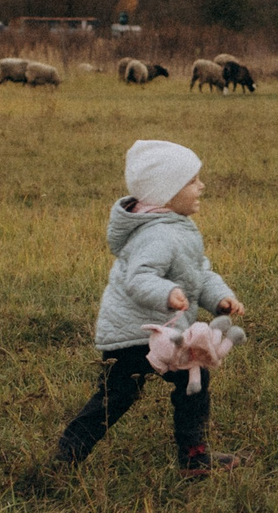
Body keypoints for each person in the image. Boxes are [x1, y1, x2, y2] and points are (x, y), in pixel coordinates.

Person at [53, 139, 248, 475]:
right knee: (117, 397)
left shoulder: (178, 228)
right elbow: (138, 277)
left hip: (168, 334)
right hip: (133, 335)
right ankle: (67, 455)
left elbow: (199, 271)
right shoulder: (156, 235)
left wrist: (219, 298)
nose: (201, 186)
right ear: (166, 193)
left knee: (194, 382)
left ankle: (194, 457)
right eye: (192, 181)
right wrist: (167, 292)